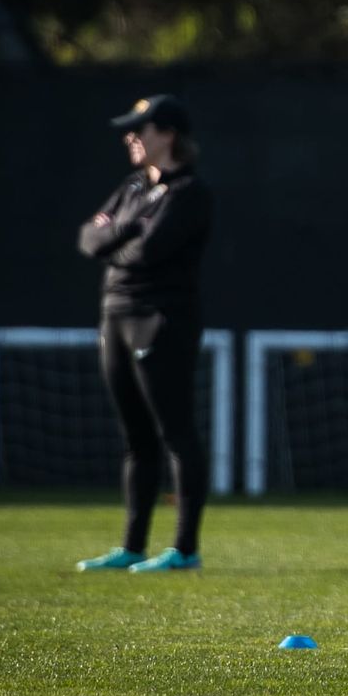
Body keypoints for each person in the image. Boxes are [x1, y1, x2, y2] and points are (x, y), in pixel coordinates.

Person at [74, 94, 213, 573]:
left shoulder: (189, 193)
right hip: (113, 313)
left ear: (168, 134)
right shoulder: (133, 186)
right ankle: (132, 545)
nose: (131, 137)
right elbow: (90, 239)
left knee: (175, 430)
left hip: (159, 317)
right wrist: (126, 231)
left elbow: (149, 252)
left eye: (142, 129)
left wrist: (121, 237)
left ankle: (184, 549)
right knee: (136, 436)